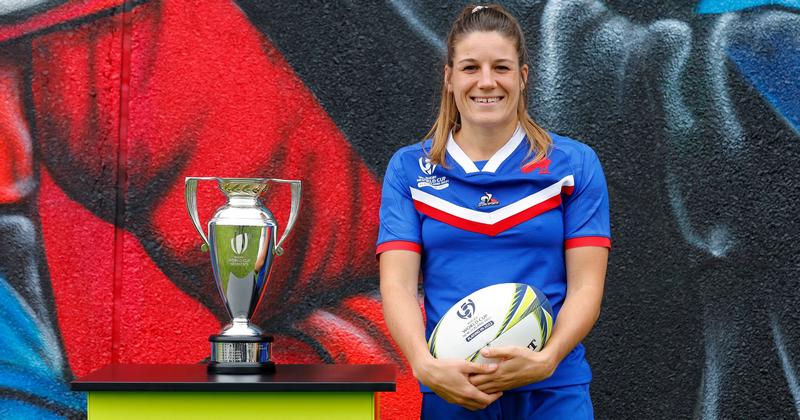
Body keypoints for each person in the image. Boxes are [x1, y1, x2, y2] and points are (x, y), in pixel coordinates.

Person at [377, 4, 610, 418]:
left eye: (501, 67)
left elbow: (587, 287)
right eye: (470, 68)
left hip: (551, 390)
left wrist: (549, 357)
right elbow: (396, 285)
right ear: (449, 78)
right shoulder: (409, 169)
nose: (486, 82)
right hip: (454, 389)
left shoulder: (573, 165)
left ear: (522, 77)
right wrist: (424, 365)